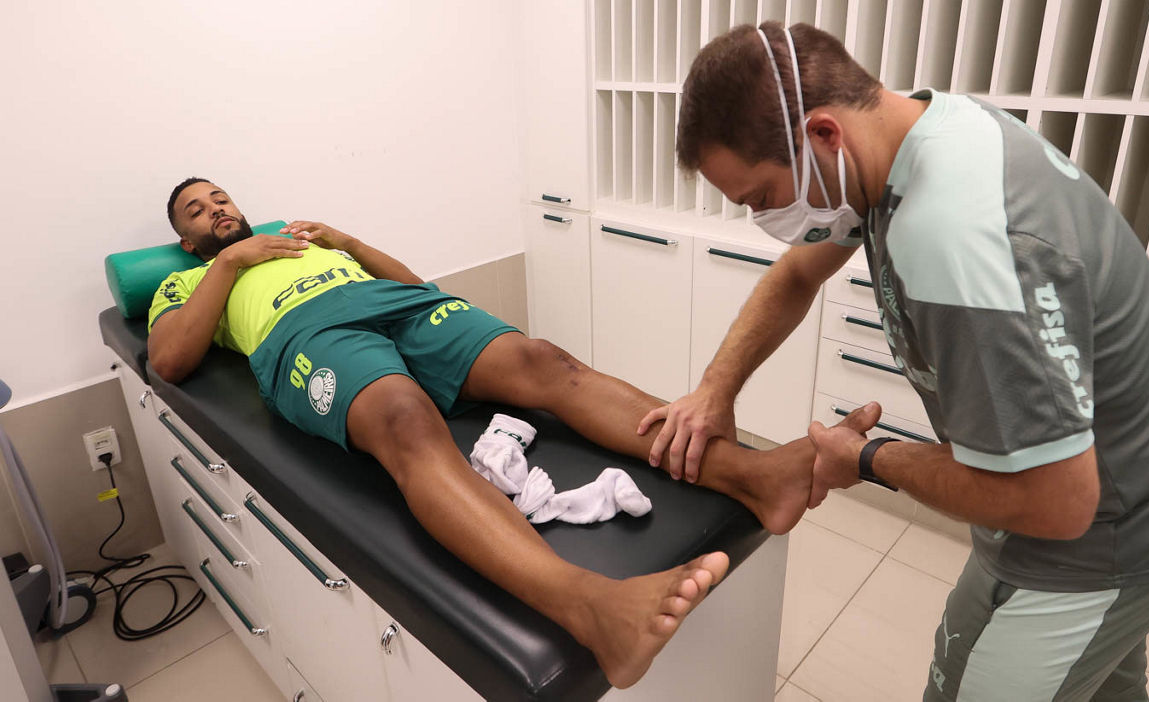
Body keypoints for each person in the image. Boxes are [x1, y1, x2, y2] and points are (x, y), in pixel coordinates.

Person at [650, 22, 1149, 700]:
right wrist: (715, 390)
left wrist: (867, 458)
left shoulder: (954, 235)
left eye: (762, 198)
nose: (763, 219)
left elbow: (1057, 503)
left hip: (1104, 539)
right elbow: (797, 274)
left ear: (824, 134)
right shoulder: (914, 134)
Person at [147, 177, 816, 688]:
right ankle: (589, 606)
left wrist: (346, 244)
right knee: (406, 417)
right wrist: (230, 265)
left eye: (220, 198)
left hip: (396, 305)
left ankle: (752, 475)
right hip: (306, 335)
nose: (216, 210)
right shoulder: (191, 279)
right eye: (197, 212)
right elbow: (170, 360)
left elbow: (416, 286)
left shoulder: (299, 241)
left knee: (543, 359)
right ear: (187, 241)